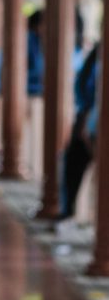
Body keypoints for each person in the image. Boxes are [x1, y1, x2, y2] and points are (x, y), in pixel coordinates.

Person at [56, 40, 100, 227]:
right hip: (90, 121)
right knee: (73, 160)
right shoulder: (97, 54)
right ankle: (69, 210)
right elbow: (82, 85)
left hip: (92, 122)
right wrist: (86, 118)